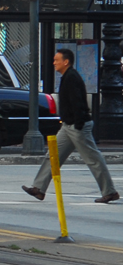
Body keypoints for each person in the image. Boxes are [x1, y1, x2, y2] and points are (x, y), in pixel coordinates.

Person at [23, 48, 118, 203]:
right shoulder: (67, 76)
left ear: (65, 62)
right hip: (68, 126)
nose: (54, 63)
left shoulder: (71, 77)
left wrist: (79, 124)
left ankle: (110, 192)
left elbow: (78, 102)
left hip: (77, 126)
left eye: (56, 60)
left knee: (93, 159)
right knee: (52, 156)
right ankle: (38, 188)